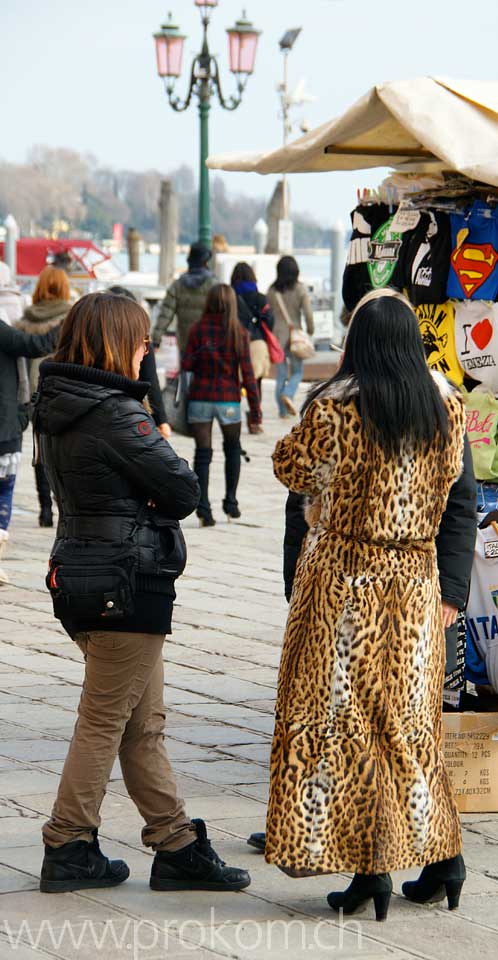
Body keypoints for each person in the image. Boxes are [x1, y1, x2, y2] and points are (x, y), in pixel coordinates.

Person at [33, 292, 250, 895]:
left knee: (140, 721)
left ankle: (175, 842)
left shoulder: (60, 405)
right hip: (127, 583)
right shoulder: (117, 415)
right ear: (117, 343)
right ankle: (68, 840)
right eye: (142, 341)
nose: (146, 351)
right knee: (106, 719)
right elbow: (182, 490)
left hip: (82, 574)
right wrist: (149, 417)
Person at [265, 289, 471, 921]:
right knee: (410, 729)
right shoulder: (446, 408)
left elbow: (287, 468)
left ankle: (370, 870)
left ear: (356, 344)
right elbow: (460, 497)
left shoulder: (337, 410)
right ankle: (444, 859)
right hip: (413, 583)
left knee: (343, 726)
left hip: (344, 586)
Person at [181, 284, 260, 526]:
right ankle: (231, 502)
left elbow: (186, 366)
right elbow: (247, 374)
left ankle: (204, 507)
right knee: (232, 448)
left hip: (201, 398)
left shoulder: (197, 331)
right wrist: (255, 410)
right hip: (228, 398)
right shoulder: (239, 332)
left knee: (202, 454)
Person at [0, 317, 59, 583]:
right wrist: (69, 322)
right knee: (4, 490)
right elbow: (38, 345)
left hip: (8, 422)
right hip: (3, 427)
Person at [14, 266, 71, 527]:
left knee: (40, 450)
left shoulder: (27, 319)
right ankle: (64, 505)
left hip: (35, 393)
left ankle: (44, 508)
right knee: (65, 450)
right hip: (64, 390)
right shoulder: (70, 317)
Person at [107, 285, 172, 440]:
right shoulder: (139, 339)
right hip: (129, 414)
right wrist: (161, 419)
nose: (145, 350)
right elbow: (150, 379)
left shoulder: (95, 340)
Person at [267, 255, 314, 418]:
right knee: (297, 372)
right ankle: (288, 393)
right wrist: (310, 330)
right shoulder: (300, 289)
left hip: (277, 337)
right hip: (295, 337)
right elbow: (308, 313)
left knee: (280, 375)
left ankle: (282, 411)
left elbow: (268, 315)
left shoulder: (272, 291)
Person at [231, 261, 274, 434]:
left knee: (234, 381)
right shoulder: (260, 298)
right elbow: (270, 320)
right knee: (255, 383)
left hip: (234, 341)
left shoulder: (230, 296)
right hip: (256, 342)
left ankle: (233, 418)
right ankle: (255, 421)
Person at [152, 242, 216, 355]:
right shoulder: (214, 284)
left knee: (186, 370)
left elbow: (165, 314)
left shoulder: (178, 285)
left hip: (186, 342)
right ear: (206, 261)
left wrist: (156, 339)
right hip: (209, 341)